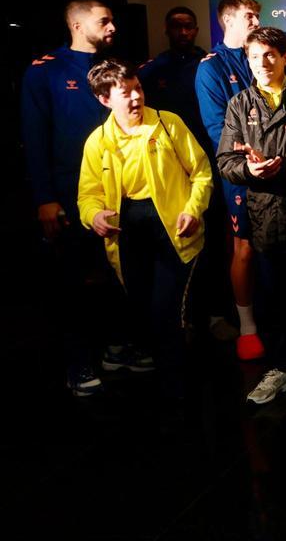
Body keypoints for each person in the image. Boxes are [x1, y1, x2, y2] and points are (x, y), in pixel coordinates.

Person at [196, 0, 286, 359]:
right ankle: (266, 352)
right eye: (255, 56)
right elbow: (225, 155)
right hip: (259, 204)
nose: (263, 62)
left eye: (272, 54)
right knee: (264, 280)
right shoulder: (234, 96)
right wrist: (249, 169)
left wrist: (281, 166)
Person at [78, 60, 212, 401]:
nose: (137, 97)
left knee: (167, 311)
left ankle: (179, 390)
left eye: (138, 88)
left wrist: (192, 210)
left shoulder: (168, 124)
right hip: (127, 232)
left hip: (172, 229)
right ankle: (166, 387)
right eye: (127, 93)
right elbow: (88, 195)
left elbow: (201, 173)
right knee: (144, 310)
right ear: (105, 99)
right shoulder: (98, 142)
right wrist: (94, 216)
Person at [22, 0, 120, 394]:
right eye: (104, 20)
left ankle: (118, 347)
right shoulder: (45, 72)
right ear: (78, 25)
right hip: (67, 191)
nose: (113, 26)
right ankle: (78, 362)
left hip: (116, 191)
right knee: (72, 282)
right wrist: (45, 197)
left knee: (117, 274)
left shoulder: (116, 67)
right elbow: (34, 137)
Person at [138, 6, 207, 142]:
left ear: (196, 30)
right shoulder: (153, 68)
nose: (183, 32)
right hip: (166, 138)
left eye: (188, 27)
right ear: (167, 30)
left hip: (202, 137)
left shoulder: (208, 64)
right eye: (176, 27)